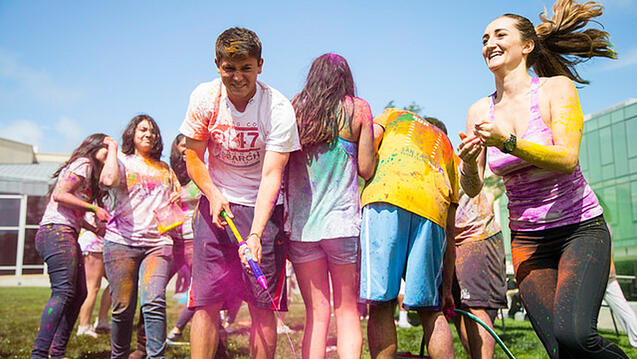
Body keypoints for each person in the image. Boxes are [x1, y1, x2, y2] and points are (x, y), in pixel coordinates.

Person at [457, 0, 627, 357]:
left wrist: (507, 141)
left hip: (579, 229)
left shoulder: (555, 90)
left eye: (500, 35)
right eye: (485, 38)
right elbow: (472, 189)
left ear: (527, 45)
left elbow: (566, 159)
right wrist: (469, 165)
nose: (490, 43)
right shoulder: (479, 110)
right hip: (527, 242)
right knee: (556, 348)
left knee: (575, 336)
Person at [179, 27, 300, 359]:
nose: (237, 76)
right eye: (229, 67)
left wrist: (257, 234)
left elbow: (272, 175)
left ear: (260, 65)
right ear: (217, 64)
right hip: (215, 205)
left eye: (245, 67)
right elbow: (193, 159)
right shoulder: (204, 98)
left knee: (262, 304)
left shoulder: (277, 107)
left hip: (262, 208)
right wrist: (214, 195)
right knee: (205, 301)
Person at [285, 53, 375, 358]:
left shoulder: (296, 108)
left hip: (301, 226)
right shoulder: (358, 109)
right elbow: (366, 169)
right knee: (347, 309)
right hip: (343, 225)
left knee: (317, 313)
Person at [360, 109, 458, 359]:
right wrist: (445, 289)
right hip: (431, 209)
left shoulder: (395, 115)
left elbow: (366, 150)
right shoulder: (446, 145)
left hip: (387, 195)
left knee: (381, 305)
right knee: (430, 309)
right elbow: (450, 231)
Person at [101, 114, 181, 359]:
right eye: (142, 130)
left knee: (154, 302)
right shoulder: (122, 161)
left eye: (152, 131)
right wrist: (113, 149)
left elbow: (178, 196)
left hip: (158, 245)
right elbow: (109, 180)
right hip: (121, 243)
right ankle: (119, 355)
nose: (148, 134)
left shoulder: (165, 168)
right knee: (123, 307)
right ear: (132, 135)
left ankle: (156, 356)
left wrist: (177, 198)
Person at [32, 133, 118, 359]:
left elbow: (71, 212)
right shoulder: (84, 163)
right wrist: (93, 209)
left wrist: (93, 228)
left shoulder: (90, 172)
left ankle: (56, 353)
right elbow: (61, 195)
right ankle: (40, 354)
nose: (110, 152)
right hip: (56, 233)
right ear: (95, 145)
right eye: (106, 146)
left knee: (79, 293)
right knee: (63, 292)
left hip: (64, 232)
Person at [450, 174, 507, 359]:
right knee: (458, 308)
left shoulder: (463, 145)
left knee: (476, 306)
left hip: (477, 234)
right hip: (450, 239)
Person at [76, 211, 112, 338]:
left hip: (101, 243)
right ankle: (84, 326)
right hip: (94, 243)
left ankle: (102, 321)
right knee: (92, 287)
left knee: (116, 283)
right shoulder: (95, 202)